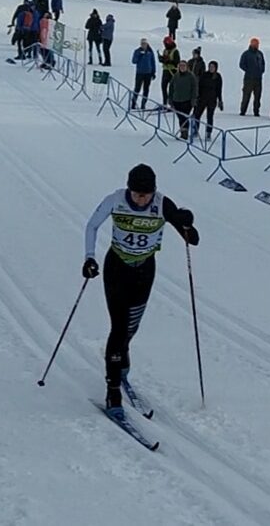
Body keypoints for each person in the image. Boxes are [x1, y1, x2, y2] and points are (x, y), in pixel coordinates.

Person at [83, 164, 200, 418]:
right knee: (119, 326)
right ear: (129, 189)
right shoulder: (115, 200)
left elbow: (192, 238)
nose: (141, 199)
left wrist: (186, 222)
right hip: (117, 267)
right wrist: (89, 257)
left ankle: (121, 363)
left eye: (145, 195)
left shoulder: (161, 204)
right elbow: (92, 226)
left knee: (131, 328)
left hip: (145, 270)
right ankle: (112, 389)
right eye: (136, 194)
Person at [193, 60, 223, 140]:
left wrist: (220, 100)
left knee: (209, 117)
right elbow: (199, 86)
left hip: (212, 99)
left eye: (213, 67)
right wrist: (197, 97)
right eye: (210, 66)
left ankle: (208, 133)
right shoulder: (204, 75)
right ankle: (195, 130)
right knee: (197, 115)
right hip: (202, 98)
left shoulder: (218, 77)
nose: (211, 68)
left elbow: (219, 89)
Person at [168, 60, 198, 139]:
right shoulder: (176, 76)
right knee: (180, 117)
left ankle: (184, 133)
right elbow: (171, 87)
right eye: (180, 66)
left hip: (187, 100)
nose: (182, 67)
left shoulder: (191, 76)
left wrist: (193, 99)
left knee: (184, 117)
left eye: (184, 66)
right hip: (176, 100)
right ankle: (183, 131)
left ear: (187, 67)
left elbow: (194, 88)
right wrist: (170, 99)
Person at [239, 37, 265, 116]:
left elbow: (263, 63)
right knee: (246, 96)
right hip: (248, 79)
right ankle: (243, 111)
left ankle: (256, 111)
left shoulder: (260, 54)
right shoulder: (246, 54)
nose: (256, 45)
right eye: (255, 44)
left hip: (258, 79)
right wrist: (248, 70)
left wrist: (261, 70)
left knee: (257, 97)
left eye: (257, 44)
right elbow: (241, 64)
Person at [131, 38, 157, 110]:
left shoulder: (150, 52)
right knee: (137, 88)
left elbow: (153, 62)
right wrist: (139, 54)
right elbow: (134, 61)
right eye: (142, 44)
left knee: (146, 89)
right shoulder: (137, 51)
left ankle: (143, 104)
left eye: (145, 44)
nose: (143, 45)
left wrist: (153, 72)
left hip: (148, 73)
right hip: (140, 72)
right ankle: (133, 102)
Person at [159, 36, 180, 105]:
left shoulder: (175, 51)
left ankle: (172, 104)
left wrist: (169, 61)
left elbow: (177, 62)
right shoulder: (165, 50)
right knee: (163, 88)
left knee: (172, 89)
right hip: (165, 71)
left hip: (172, 72)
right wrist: (162, 59)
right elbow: (164, 59)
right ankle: (165, 103)